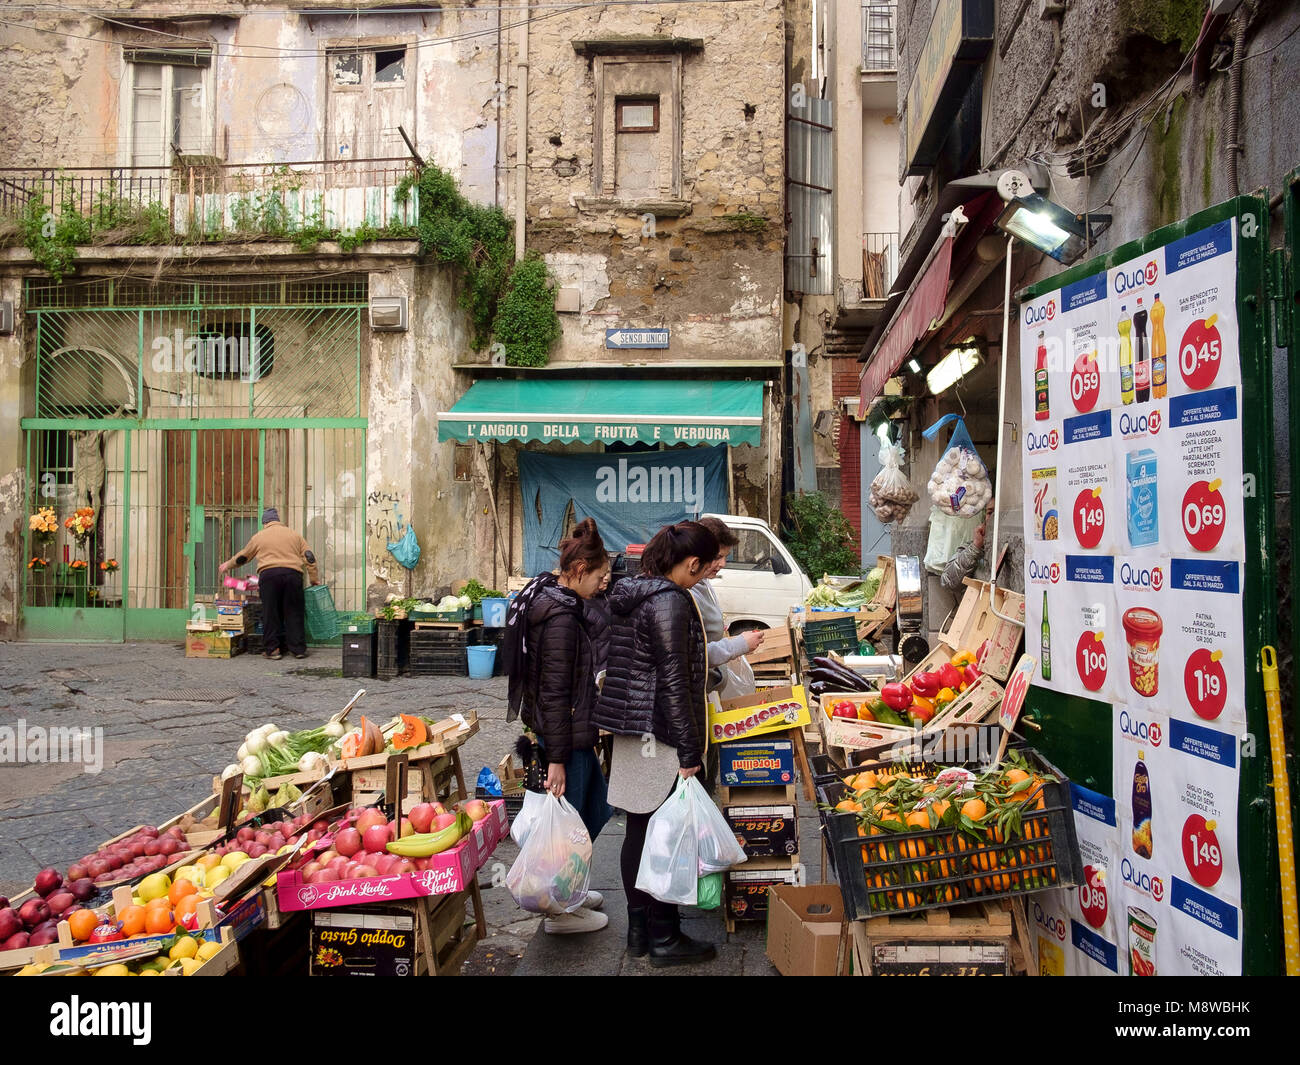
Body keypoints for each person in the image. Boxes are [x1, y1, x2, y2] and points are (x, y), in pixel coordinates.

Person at [593, 520, 720, 968]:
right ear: (691, 563)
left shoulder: (633, 590)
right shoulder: (670, 601)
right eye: (703, 570)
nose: (703, 577)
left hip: (632, 731)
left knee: (641, 831)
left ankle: (639, 933)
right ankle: (664, 937)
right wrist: (690, 751)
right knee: (665, 836)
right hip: (662, 733)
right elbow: (672, 681)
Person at [502, 518, 613, 934]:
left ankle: (573, 889)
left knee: (593, 811)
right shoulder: (562, 618)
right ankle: (560, 910)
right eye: (600, 577)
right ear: (580, 570)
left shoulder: (554, 601)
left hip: (571, 731)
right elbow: (554, 693)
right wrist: (558, 760)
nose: (603, 584)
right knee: (574, 823)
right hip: (565, 736)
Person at [218, 508, 319, 660]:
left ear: (265, 522)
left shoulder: (259, 536)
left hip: (270, 577)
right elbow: (309, 557)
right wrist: (313, 578)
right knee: (294, 612)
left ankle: (273, 649)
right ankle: (298, 649)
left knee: (270, 612)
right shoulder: (295, 535)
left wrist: (228, 565)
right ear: (277, 520)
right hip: (293, 575)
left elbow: (243, 557)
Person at [692, 516, 764, 695]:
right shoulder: (687, 593)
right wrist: (739, 645)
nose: (722, 564)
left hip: (708, 688)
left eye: (725, 557)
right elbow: (693, 654)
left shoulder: (704, 582)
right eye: (717, 557)